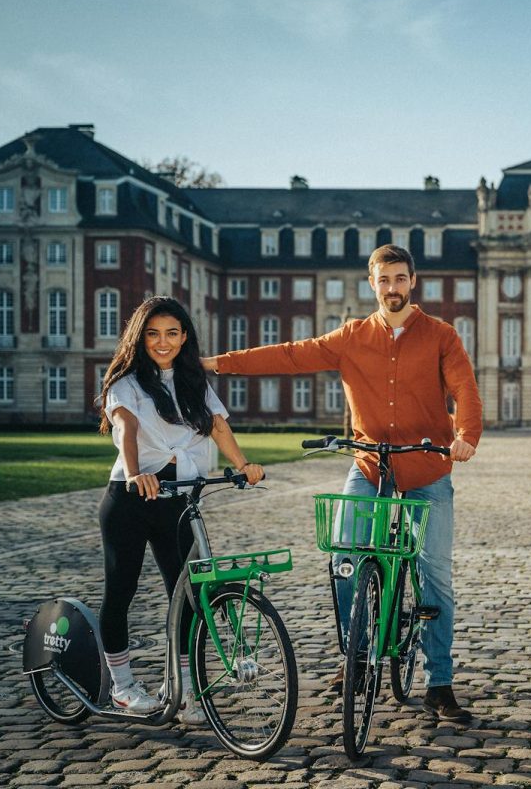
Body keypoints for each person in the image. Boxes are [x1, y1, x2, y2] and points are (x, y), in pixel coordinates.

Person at [202, 245, 482, 722]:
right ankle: (356, 655)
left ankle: (439, 682)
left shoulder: (441, 336)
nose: (391, 288)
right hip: (370, 462)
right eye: (383, 279)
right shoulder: (352, 337)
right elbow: (290, 356)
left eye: (399, 278)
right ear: (371, 284)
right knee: (345, 557)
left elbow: (464, 391)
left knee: (435, 573)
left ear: (413, 281)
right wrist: (215, 364)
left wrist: (465, 436)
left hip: (426, 467)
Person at [97, 296, 265, 722]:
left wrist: (243, 466)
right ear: (140, 338)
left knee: (189, 595)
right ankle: (122, 687)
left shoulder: (194, 382)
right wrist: (136, 473)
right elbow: (125, 426)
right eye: (153, 333)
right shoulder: (126, 382)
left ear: (185, 336)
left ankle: (184, 689)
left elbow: (217, 425)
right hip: (132, 500)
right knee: (122, 591)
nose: (163, 341)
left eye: (172, 333)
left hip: (179, 501)